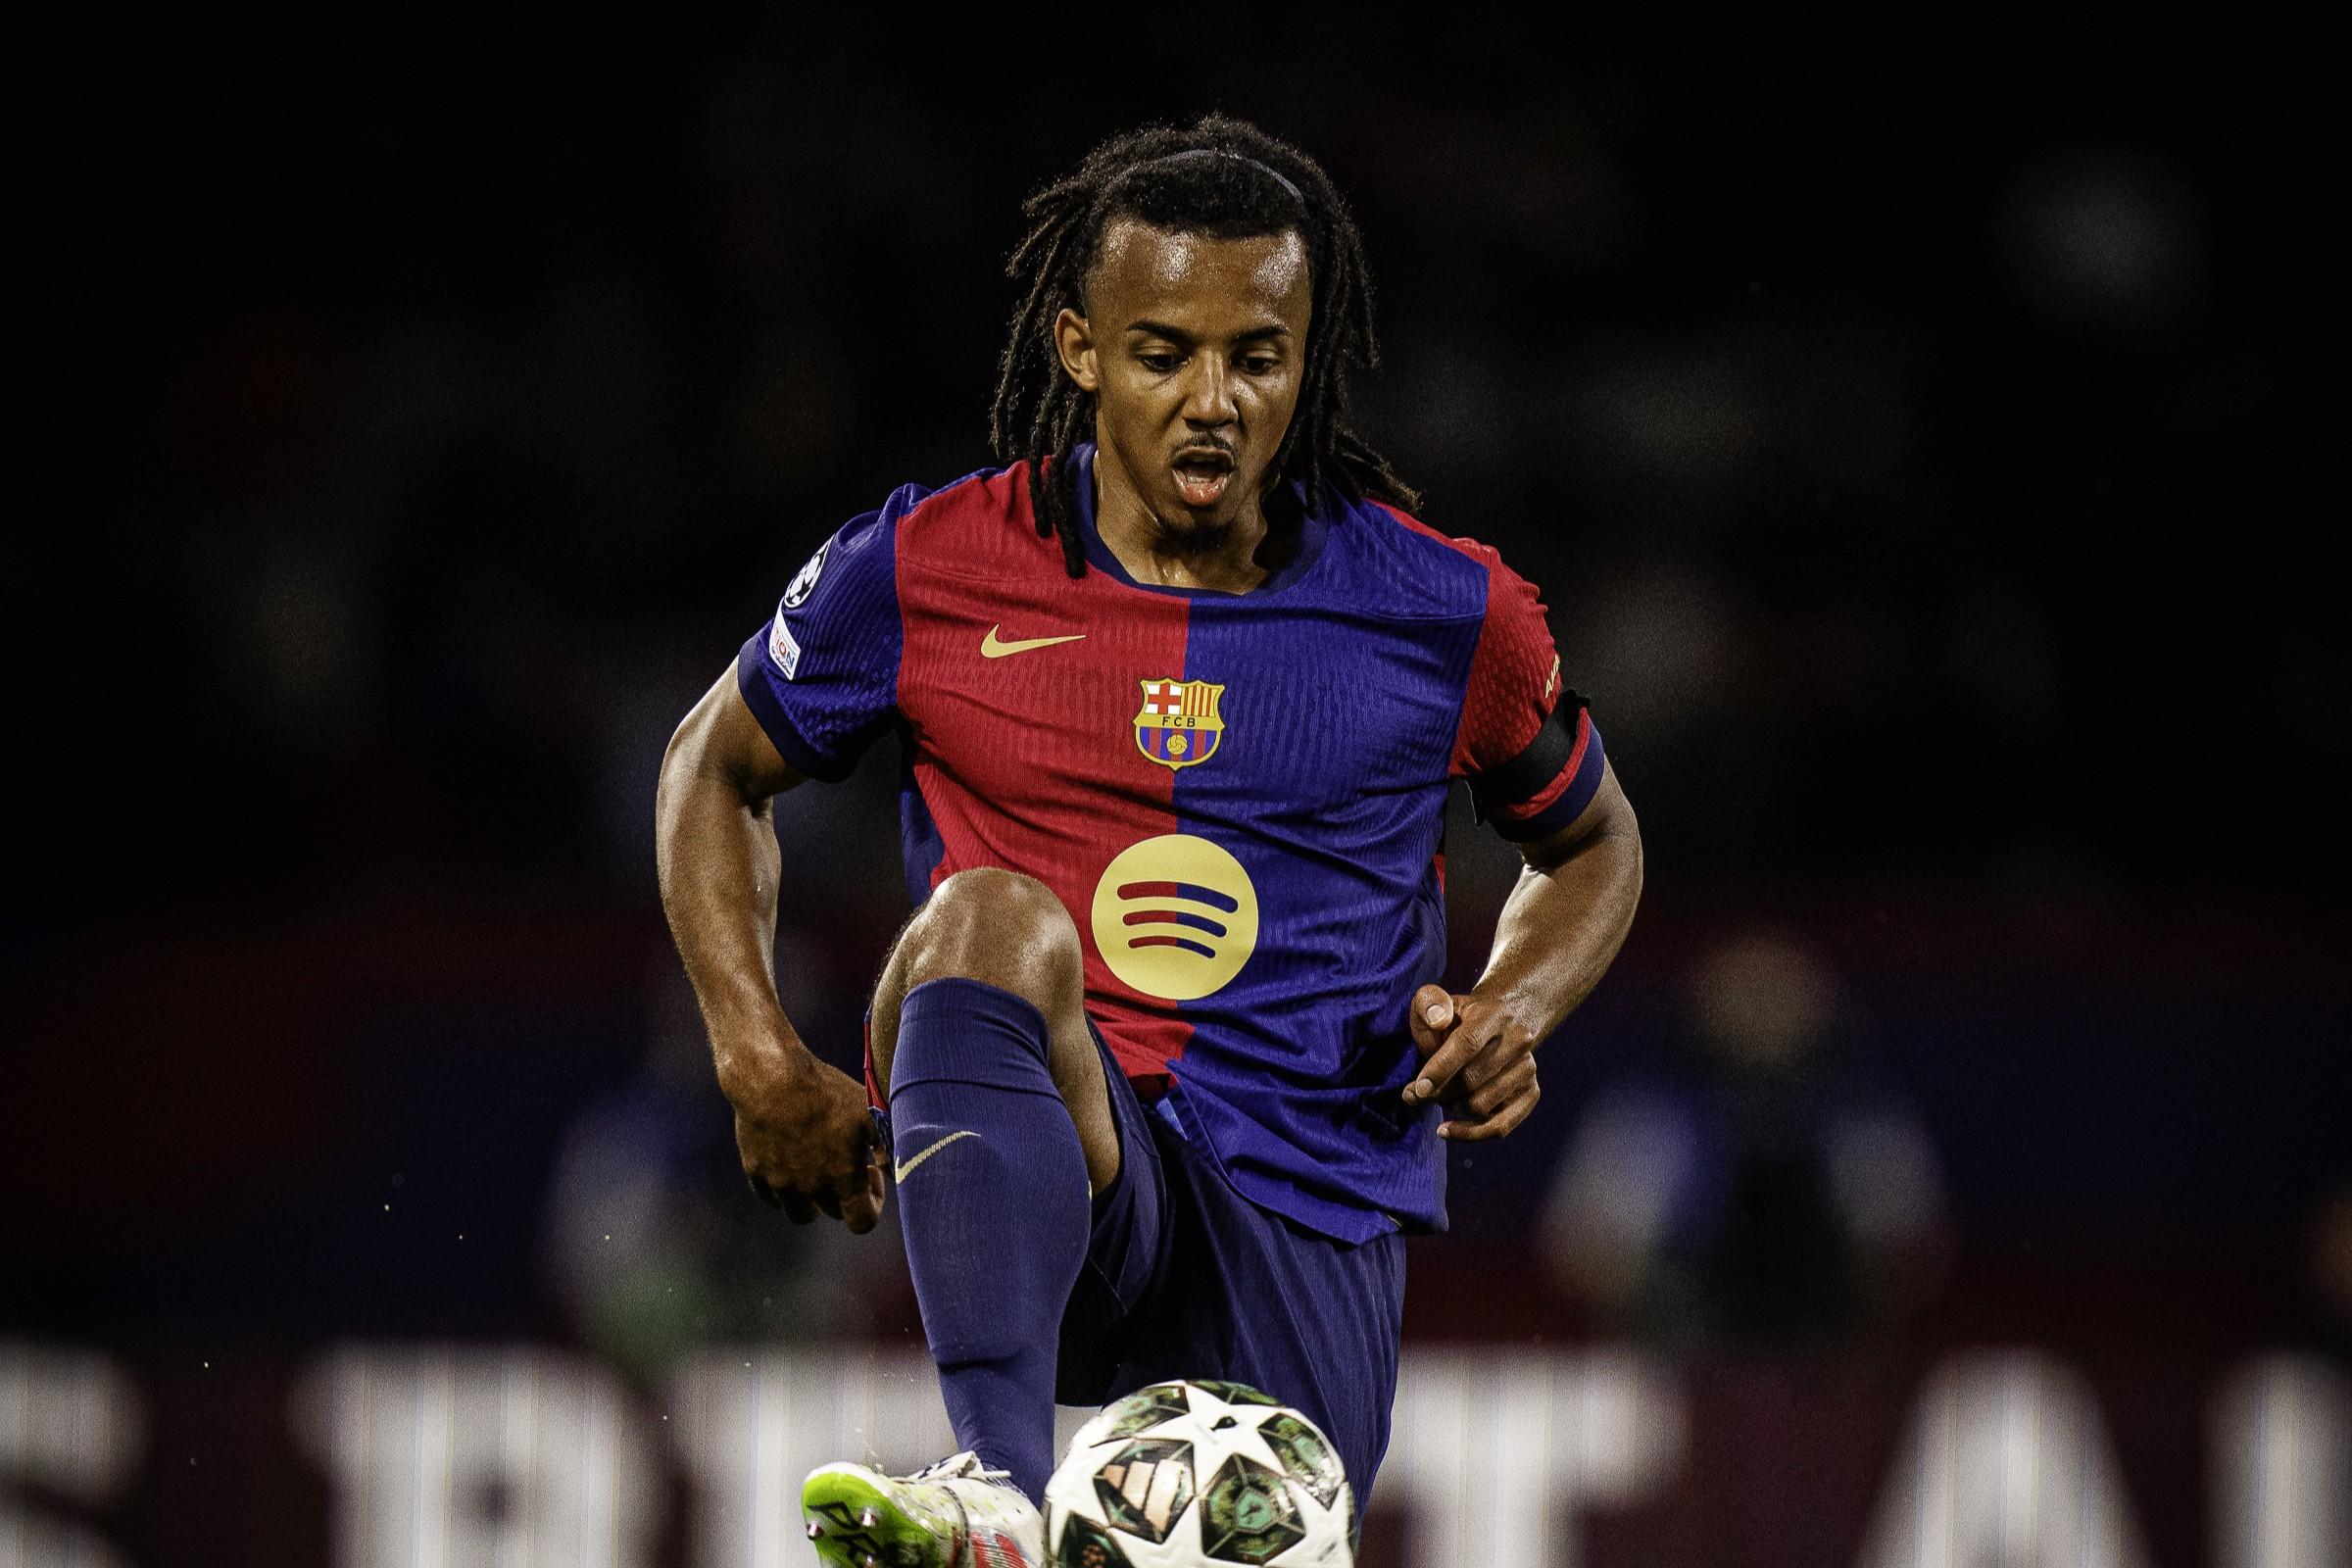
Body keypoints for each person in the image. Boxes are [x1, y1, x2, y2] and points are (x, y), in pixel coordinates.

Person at [655, 114, 1643, 1567]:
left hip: (1310, 1188)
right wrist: (753, 1052)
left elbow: (1596, 841)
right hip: (1064, 1153)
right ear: (1079, 349)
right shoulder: (928, 567)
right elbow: (711, 764)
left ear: (1307, 362)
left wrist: (1513, 1004)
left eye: (1258, 358)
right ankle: (993, 1489)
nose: (1213, 402)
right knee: (988, 917)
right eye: (1163, 353)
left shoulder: (1447, 612)